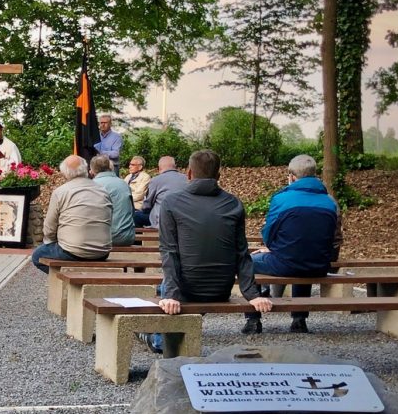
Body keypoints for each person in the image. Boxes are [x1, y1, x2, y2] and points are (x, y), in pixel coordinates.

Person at [141, 150, 272, 353]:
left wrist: (173, 295)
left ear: (189, 173)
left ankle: (155, 338)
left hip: (187, 289)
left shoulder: (171, 202)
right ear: (218, 176)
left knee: (164, 286)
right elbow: (242, 253)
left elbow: (169, 251)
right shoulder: (233, 203)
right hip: (220, 289)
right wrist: (251, 294)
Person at [242, 155, 338, 335]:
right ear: (314, 175)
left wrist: (271, 247)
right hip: (318, 265)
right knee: (304, 255)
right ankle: (299, 320)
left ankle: (253, 320)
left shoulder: (282, 199)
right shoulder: (330, 202)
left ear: (292, 176)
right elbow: (335, 238)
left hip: (286, 263)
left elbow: (268, 235)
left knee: (248, 262)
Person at [32, 155, 111, 272]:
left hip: (72, 251)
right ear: (86, 169)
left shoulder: (61, 192)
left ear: (65, 174)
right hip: (102, 252)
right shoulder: (103, 191)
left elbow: (49, 228)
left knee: (37, 256)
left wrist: (52, 241)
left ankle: (66, 279)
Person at [90, 155, 135, 246]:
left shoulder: (92, 185)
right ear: (110, 167)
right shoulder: (124, 184)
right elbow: (132, 211)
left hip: (102, 239)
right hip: (126, 237)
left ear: (92, 171)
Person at [139, 155, 187, 229]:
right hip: (184, 219)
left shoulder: (156, 180)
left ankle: (137, 240)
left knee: (135, 217)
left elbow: (147, 205)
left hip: (163, 221)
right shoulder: (186, 178)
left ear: (159, 168)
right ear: (175, 166)